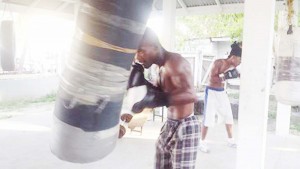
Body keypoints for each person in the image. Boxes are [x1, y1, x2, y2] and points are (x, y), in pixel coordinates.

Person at [127, 28, 201, 169]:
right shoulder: (159, 68)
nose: (138, 56)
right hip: (169, 124)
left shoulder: (176, 62)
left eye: (141, 50)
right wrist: (141, 84)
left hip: (185, 125)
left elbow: (191, 95)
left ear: (154, 46)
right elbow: (158, 94)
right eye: (136, 53)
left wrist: (156, 99)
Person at [199, 42, 242, 153]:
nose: (239, 62)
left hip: (222, 92)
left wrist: (237, 74)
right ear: (233, 57)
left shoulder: (234, 67)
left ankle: (231, 140)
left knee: (229, 115)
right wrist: (226, 76)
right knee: (208, 118)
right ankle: (202, 142)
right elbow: (212, 78)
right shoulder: (219, 62)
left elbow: (239, 75)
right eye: (239, 59)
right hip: (212, 92)